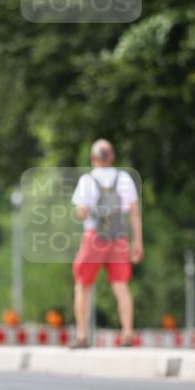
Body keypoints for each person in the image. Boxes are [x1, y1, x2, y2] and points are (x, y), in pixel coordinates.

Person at [71, 139, 143, 348]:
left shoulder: (87, 180)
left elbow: (81, 212)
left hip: (95, 237)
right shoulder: (125, 178)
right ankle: (128, 334)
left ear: (93, 158)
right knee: (121, 286)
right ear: (112, 157)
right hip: (119, 237)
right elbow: (134, 214)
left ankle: (83, 335)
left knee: (82, 286)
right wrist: (137, 241)